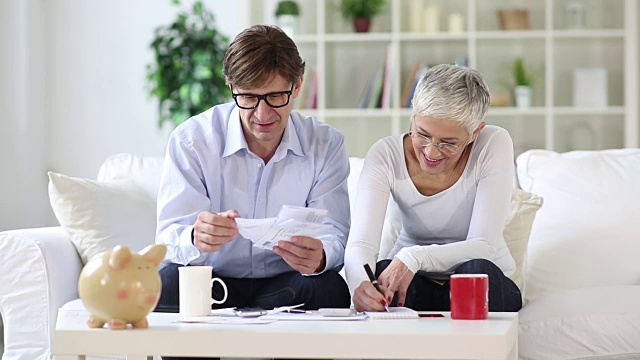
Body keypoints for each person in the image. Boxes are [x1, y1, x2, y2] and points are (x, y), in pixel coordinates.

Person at [155, 24, 351, 321]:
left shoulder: (325, 144)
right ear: (231, 87)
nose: (262, 115)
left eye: (275, 97)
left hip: (283, 286)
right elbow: (168, 238)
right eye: (248, 97)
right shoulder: (192, 141)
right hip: (213, 283)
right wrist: (196, 237)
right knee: (167, 284)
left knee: (330, 288)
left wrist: (320, 255)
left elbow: (335, 233)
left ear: (297, 85)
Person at [344, 64, 522, 313]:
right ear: (413, 114)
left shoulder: (493, 143)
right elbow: (361, 242)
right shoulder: (385, 155)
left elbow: (485, 244)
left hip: (483, 280)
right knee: (384, 274)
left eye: (449, 143)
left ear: (474, 133)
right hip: (414, 282)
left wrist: (413, 257)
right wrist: (361, 286)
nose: (431, 152)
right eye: (422, 134)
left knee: (475, 271)